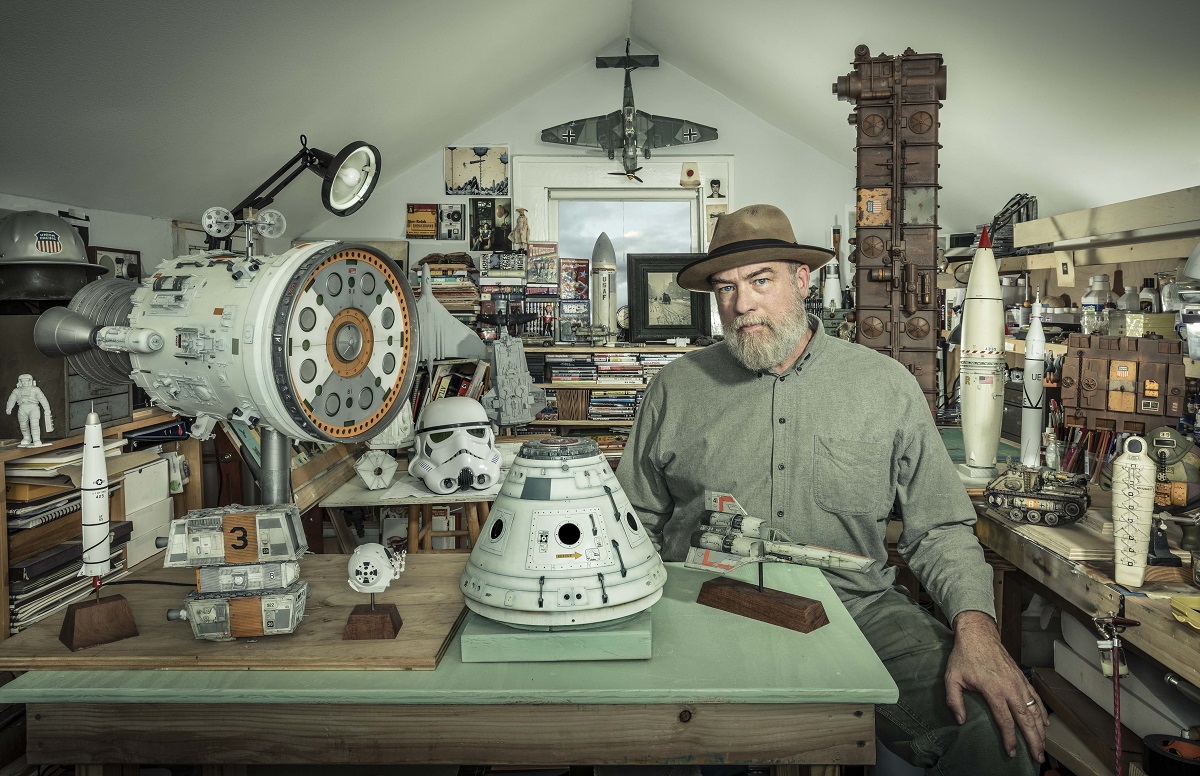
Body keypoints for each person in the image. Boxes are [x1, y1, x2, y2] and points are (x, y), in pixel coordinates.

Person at [616, 204, 1047, 774]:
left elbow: (940, 528)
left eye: (760, 280)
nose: (741, 304)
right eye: (725, 288)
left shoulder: (884, 386)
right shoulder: (675, 389)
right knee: (650, 738)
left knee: (994, 729)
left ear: (802, 279)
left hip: (856, 610)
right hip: (703, 606)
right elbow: (632, 524)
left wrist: (978, 632)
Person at [6, 373, 53, 448]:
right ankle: (27, 438)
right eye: (23, 381)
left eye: (26, 381)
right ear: (20, 382)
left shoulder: (35, 389)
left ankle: (36, 439)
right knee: (23, 425)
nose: (25, 383)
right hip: (22, 408)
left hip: (33, 408)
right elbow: (11, 399)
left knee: (34, 424)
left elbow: (42, 399)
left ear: (30, 381)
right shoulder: (16, 391)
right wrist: (9, 408)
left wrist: (47, 409)